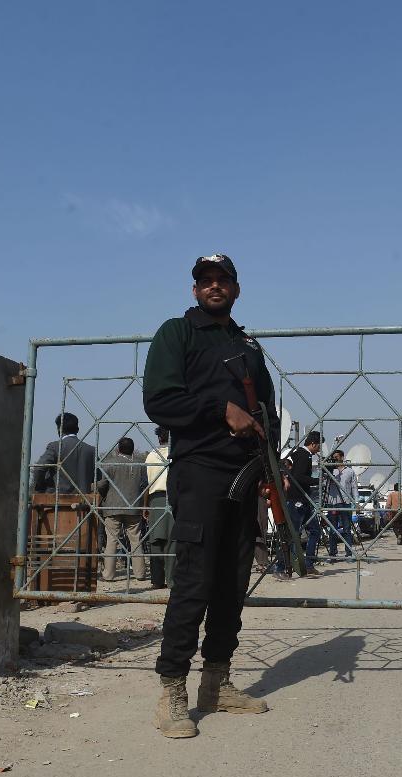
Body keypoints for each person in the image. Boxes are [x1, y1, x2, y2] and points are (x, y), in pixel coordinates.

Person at [142, 253, 275, 739]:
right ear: (195, 289)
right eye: (206, 281)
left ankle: (216, 682)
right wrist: (222, 410)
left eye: (224, 280)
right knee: (195, 579)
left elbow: (265, 407)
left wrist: (270, 462)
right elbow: (159, 399)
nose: (215, 287)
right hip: (199, 471)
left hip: (245, 473)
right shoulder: (176, 334)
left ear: (236, 289)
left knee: (232, 581)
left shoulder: (246, 343)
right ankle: (172, 690)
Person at [97, 437, 148, 581]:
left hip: (113, 507)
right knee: (136, 540)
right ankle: (140, 574)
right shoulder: (140, 464)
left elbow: (102, 485)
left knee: (112, 540)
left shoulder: (109, 463)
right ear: (133, 449)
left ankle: (109, 574)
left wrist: (103, 494)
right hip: (134, 508)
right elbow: (145, 485)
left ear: (118, 449)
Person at [286, 431, 325, 569]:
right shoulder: (303, 456)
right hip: (297, 499)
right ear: (313, 443)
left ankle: (309, 565)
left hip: (303, 499)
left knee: (315, 531)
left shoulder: (303, 455)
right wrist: (317, 480)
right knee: (293, 535)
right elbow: (298, 477)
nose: (319, 449)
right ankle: (282, 566)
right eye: (318, 446)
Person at [33, 412, 97, 495]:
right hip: (84, 501)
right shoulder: (91, 450)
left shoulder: (55, 447)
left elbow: (39, 468)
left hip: (57, 500)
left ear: (59, 429)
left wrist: (41, 487)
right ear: (77, 429)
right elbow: (98, 478)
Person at [144, 427, 175, 588]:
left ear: (159, 439)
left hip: (155, 499)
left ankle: (157, 580)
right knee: (172, 540)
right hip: (173, 498)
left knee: (155, 540)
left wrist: (145, 506)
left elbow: (146, 484)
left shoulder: (151, 455)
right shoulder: (176, 454)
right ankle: (171, 580)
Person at [323, 449, 356, 558]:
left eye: (337, 457)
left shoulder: (350, 472)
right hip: (333, 502)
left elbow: (354, 487)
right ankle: (333, 554)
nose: (335, 459)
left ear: (342, 457)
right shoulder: (331, 470)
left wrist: (356, 502)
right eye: (334, 457)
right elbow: (323, 483)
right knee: (332, 529)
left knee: (347, 528)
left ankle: (348, 553)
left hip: (345, 502)